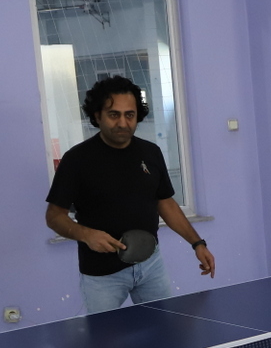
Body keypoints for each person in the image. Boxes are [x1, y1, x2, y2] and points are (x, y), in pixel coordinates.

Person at [45, 76, 215, 312]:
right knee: (105, 334)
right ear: (97, 116)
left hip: (151, 265)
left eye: (130, 115)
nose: (123, 123)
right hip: (102, 275)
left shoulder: (151, 153)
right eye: (114, 114)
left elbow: (165, 203)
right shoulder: (76, 160)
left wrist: (197, 243)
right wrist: (86, 234)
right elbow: (54, 216)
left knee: (164, 328)